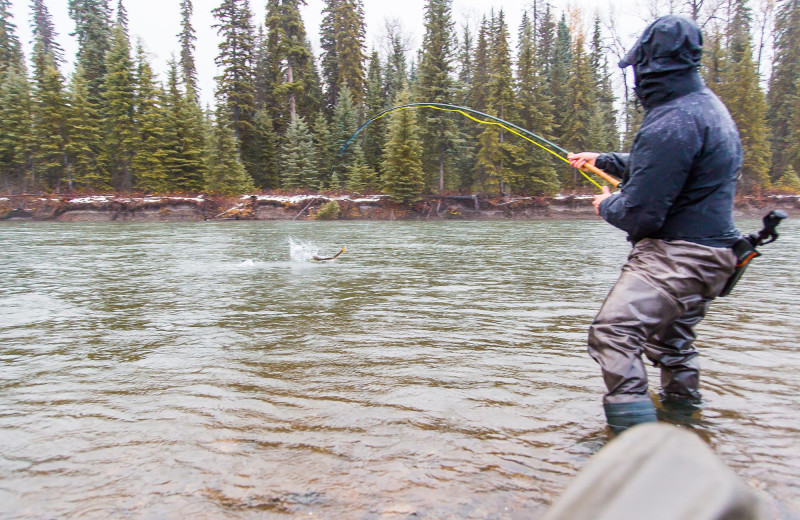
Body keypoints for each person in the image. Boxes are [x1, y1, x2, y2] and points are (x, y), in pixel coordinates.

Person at [567, 15, 743, 434]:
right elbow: (666, 168)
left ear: (650, 62)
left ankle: (638, 449)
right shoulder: (704, 109)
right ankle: (686, 427)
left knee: (613, 334)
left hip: (678, 256)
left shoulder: (671, 121)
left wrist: (606, 206)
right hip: (716, 256)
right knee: (670, 343)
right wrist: (604, 160)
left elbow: (640, 214)